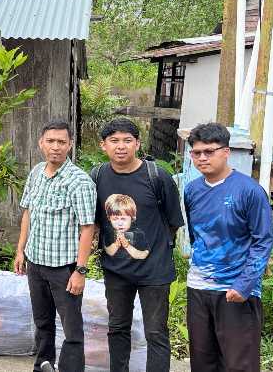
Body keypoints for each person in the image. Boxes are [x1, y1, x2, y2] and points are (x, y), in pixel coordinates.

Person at [91, 118, 184, 372]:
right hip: (115, 270)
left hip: (154, 271)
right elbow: (94, 222)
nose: (121, 146)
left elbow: (173, 222)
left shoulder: (158, 177)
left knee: (156, 332)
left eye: (127, 140)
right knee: (118, 328)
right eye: (114, 141)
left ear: (137, 144)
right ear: (103, 145)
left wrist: (155, 249)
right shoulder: (97, 176)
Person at [183, 122, 273, 372]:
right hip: (199, 287)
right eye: (196, 152)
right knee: (203, 361)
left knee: (238, 364)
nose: (202, 158)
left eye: (209, 151)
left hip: (236, 291)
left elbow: (263, 240)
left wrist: (244, 284)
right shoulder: (191, 190)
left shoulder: (250, 191)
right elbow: (195, 235)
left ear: (226, 151)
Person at [13, 120, 96, 372]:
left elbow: (87, 228)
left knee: (71, 329)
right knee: (43, 323)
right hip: (36, 263)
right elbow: (28, 213)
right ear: (41, 143)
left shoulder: (79, 181)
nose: (56, 147)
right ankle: (43, 366)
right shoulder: (37, 172)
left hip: (64, 269)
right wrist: (20, 250)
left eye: (62, 142)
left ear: (70, 145)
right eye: (50, 141)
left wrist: (80, 271)